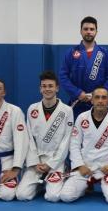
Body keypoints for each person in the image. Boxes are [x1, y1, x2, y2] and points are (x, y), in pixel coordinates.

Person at [59, 88, 108, 204]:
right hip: (86, 167)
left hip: (107, 168)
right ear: (92, 100)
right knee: (66, 196)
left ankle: (98, 183)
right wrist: (80, 165)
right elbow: (74, 144)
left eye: (104, 98)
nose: (100, 101)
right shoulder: (82, 118)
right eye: (97, 97)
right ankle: (84, 186)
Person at [16, 71, 75, 202]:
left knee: (53, 197)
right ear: (40, 88)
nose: (47, 89)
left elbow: (66, 140)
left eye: (50, 86)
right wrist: (34, 162)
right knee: (22, 195)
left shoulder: (67, 110)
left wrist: (51, 164)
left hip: (56, 160)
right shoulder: (32, 109)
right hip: (36, 160)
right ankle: (40, 185)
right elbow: (29, 138)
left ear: (57, 88)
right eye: (44, 86)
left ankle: (61, 172)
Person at [59, 16, 108, 115]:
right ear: (81, 31)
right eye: (85, 29)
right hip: (77, 102)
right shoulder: (71, 53)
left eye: (92, 29)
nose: (89, 32)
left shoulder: (104, 53)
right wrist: (77, 93)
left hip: (99, 103)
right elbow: (63, 76)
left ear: (96, 32)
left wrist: (100, 94)